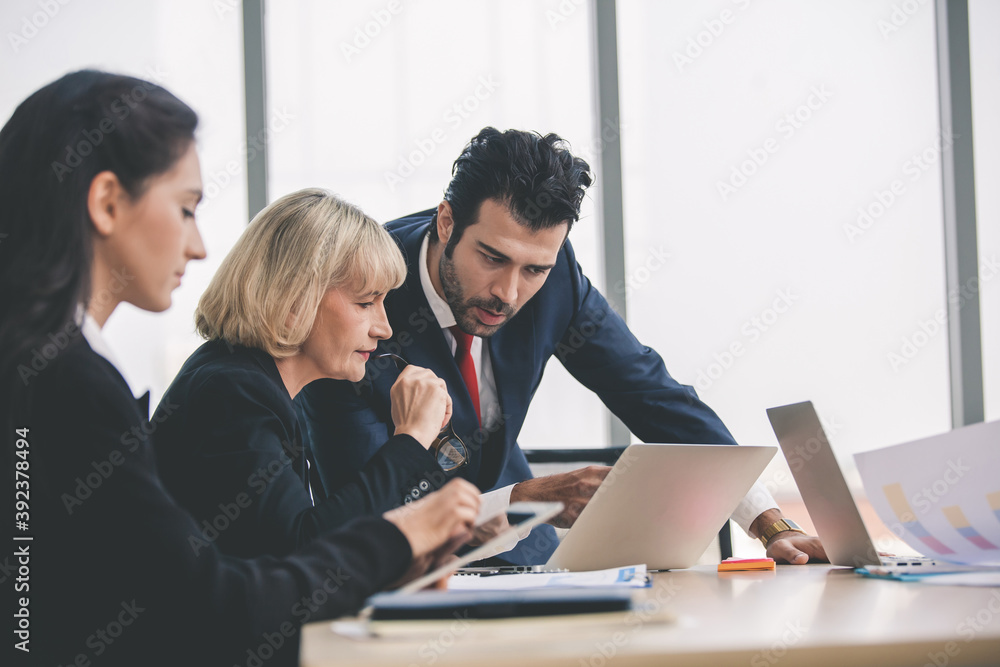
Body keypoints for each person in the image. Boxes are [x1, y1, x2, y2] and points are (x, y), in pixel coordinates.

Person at [0, 70, 479, 667]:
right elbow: (221, 601)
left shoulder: (52, 362)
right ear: (105, 202)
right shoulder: (85, 381)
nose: (199, 245)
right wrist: (400, 530)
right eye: (185, 208)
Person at [297, 127, 828, 566]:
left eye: (534, 269)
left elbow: (651, 393)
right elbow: (361, 503)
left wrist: (767, 523)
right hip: (391, 556)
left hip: (521, 542)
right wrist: (524, 498)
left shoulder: (556, 278)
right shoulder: (361, 291)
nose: (507, 293)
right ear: (446, 221)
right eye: (491, 257)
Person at [151, 188, 460, 558]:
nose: (385, 328)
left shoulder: (250, 382)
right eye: (366, 302)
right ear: (295, 297)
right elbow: (303, 549)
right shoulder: (234, 392)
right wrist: (410, 438)